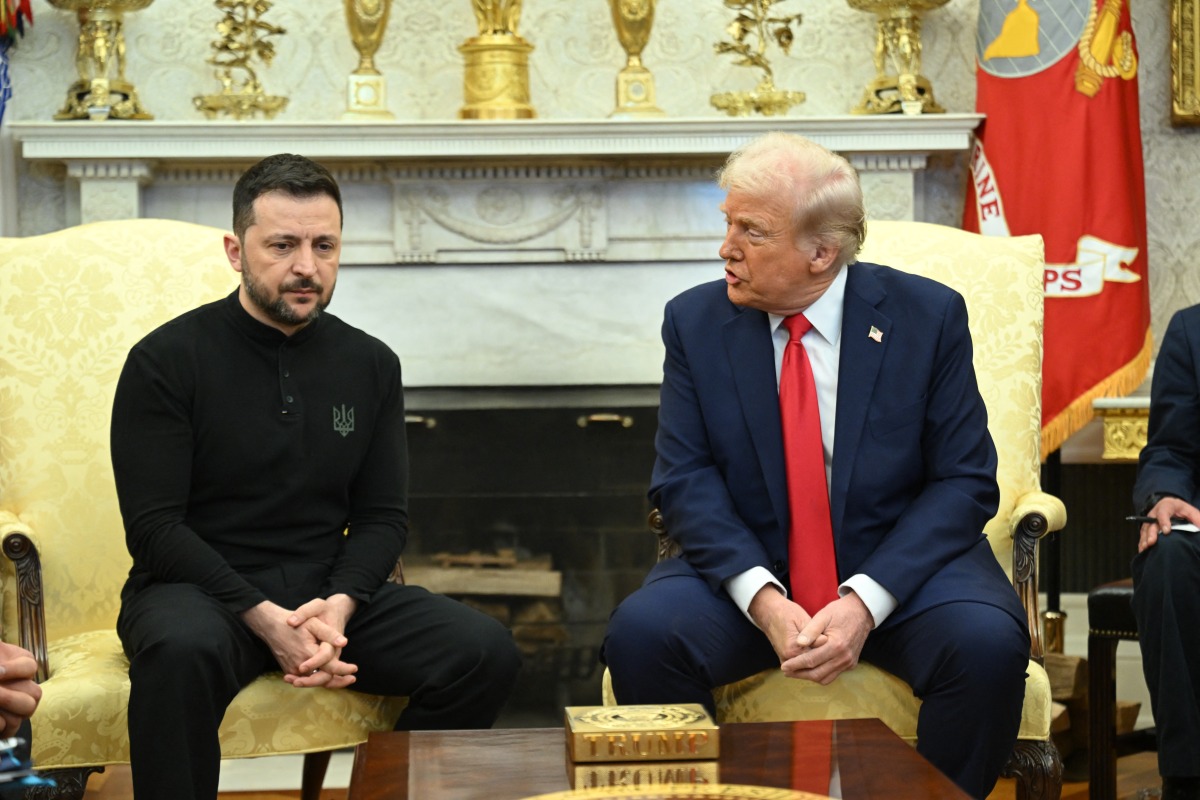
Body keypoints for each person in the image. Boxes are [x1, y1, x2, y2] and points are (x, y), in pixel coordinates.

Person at [602, 132, 1029, 799]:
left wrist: (864, 601)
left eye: (752, 231)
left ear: (821, 253)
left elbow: (963, 481)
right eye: (728, 224)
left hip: (904, 574)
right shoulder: (694, 322)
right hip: (755, 567)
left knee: (985, 644)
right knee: (642, 635)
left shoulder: (927, 316)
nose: (726, 248)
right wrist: (766, 604)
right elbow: (683, 478)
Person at [110, 153, 521, 800]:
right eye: (283, 245)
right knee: (178, 652)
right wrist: (263, 617)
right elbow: (155, 529)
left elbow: (384, 515)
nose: (306, 266)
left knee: (483, 651)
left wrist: (340, 604)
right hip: (200, 593)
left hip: (327, 591)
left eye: (323, 245)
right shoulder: (165, 361)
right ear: (234, 250)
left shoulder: (370, 364)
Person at [1131, 305, 1200, 800]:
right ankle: (1187, 777)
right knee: (1167, 559)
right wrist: (1165, 495)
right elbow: (1170, 451)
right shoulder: (1191, 331)